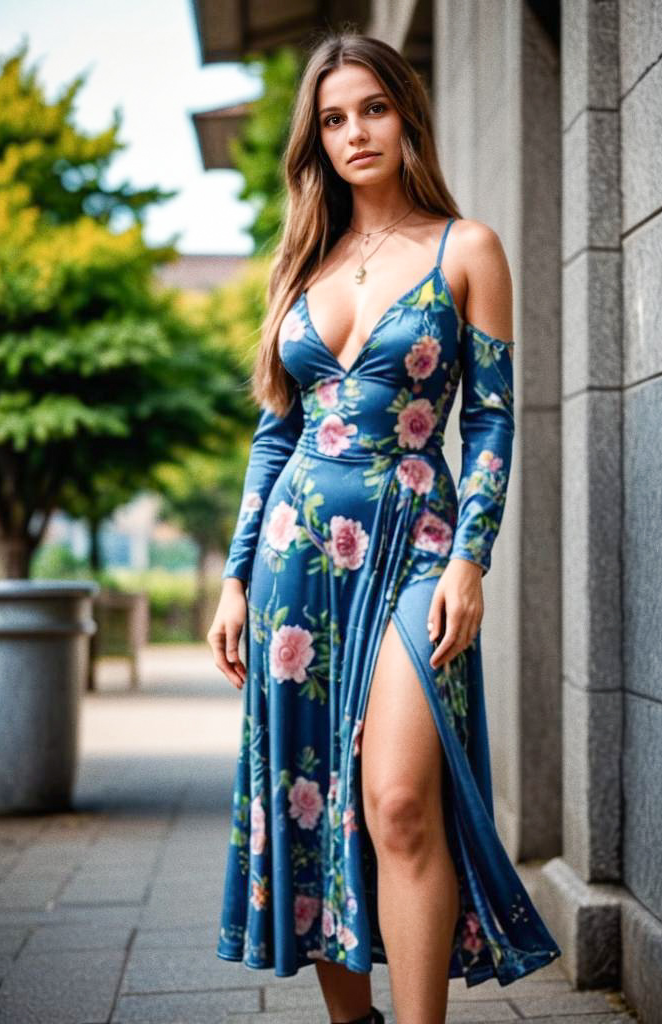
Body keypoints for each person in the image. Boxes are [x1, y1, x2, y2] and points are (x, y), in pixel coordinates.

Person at [207, 30, 561, 1024]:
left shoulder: (467, 247)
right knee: (317, 798)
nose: (353, 131)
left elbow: (491, 418)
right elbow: (274, 435)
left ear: (406, 113)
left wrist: (473, 559)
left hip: (416, 546)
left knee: (399, 797)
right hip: (292, 566)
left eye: (371, 108)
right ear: (314, 142)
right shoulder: (304, 262)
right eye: (331, 119)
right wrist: (236, 576)